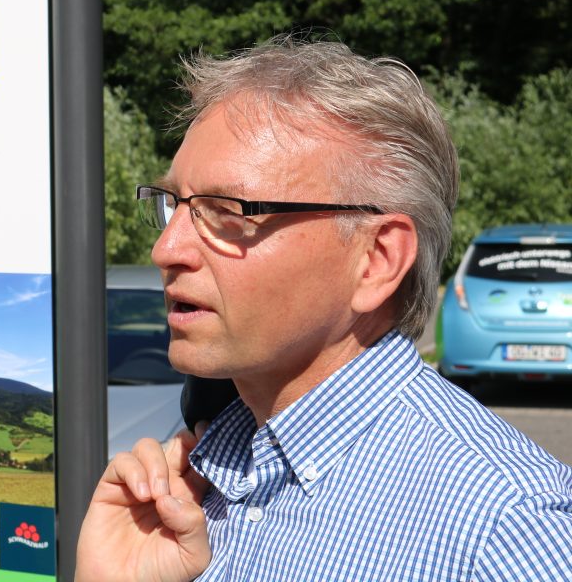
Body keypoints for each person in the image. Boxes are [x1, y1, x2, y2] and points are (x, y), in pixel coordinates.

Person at [76, 37, 571, 582]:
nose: (166, 250)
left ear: (377, 260)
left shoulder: (506, 532)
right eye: (175, 205)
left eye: (227, 211)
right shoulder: (192, 481)